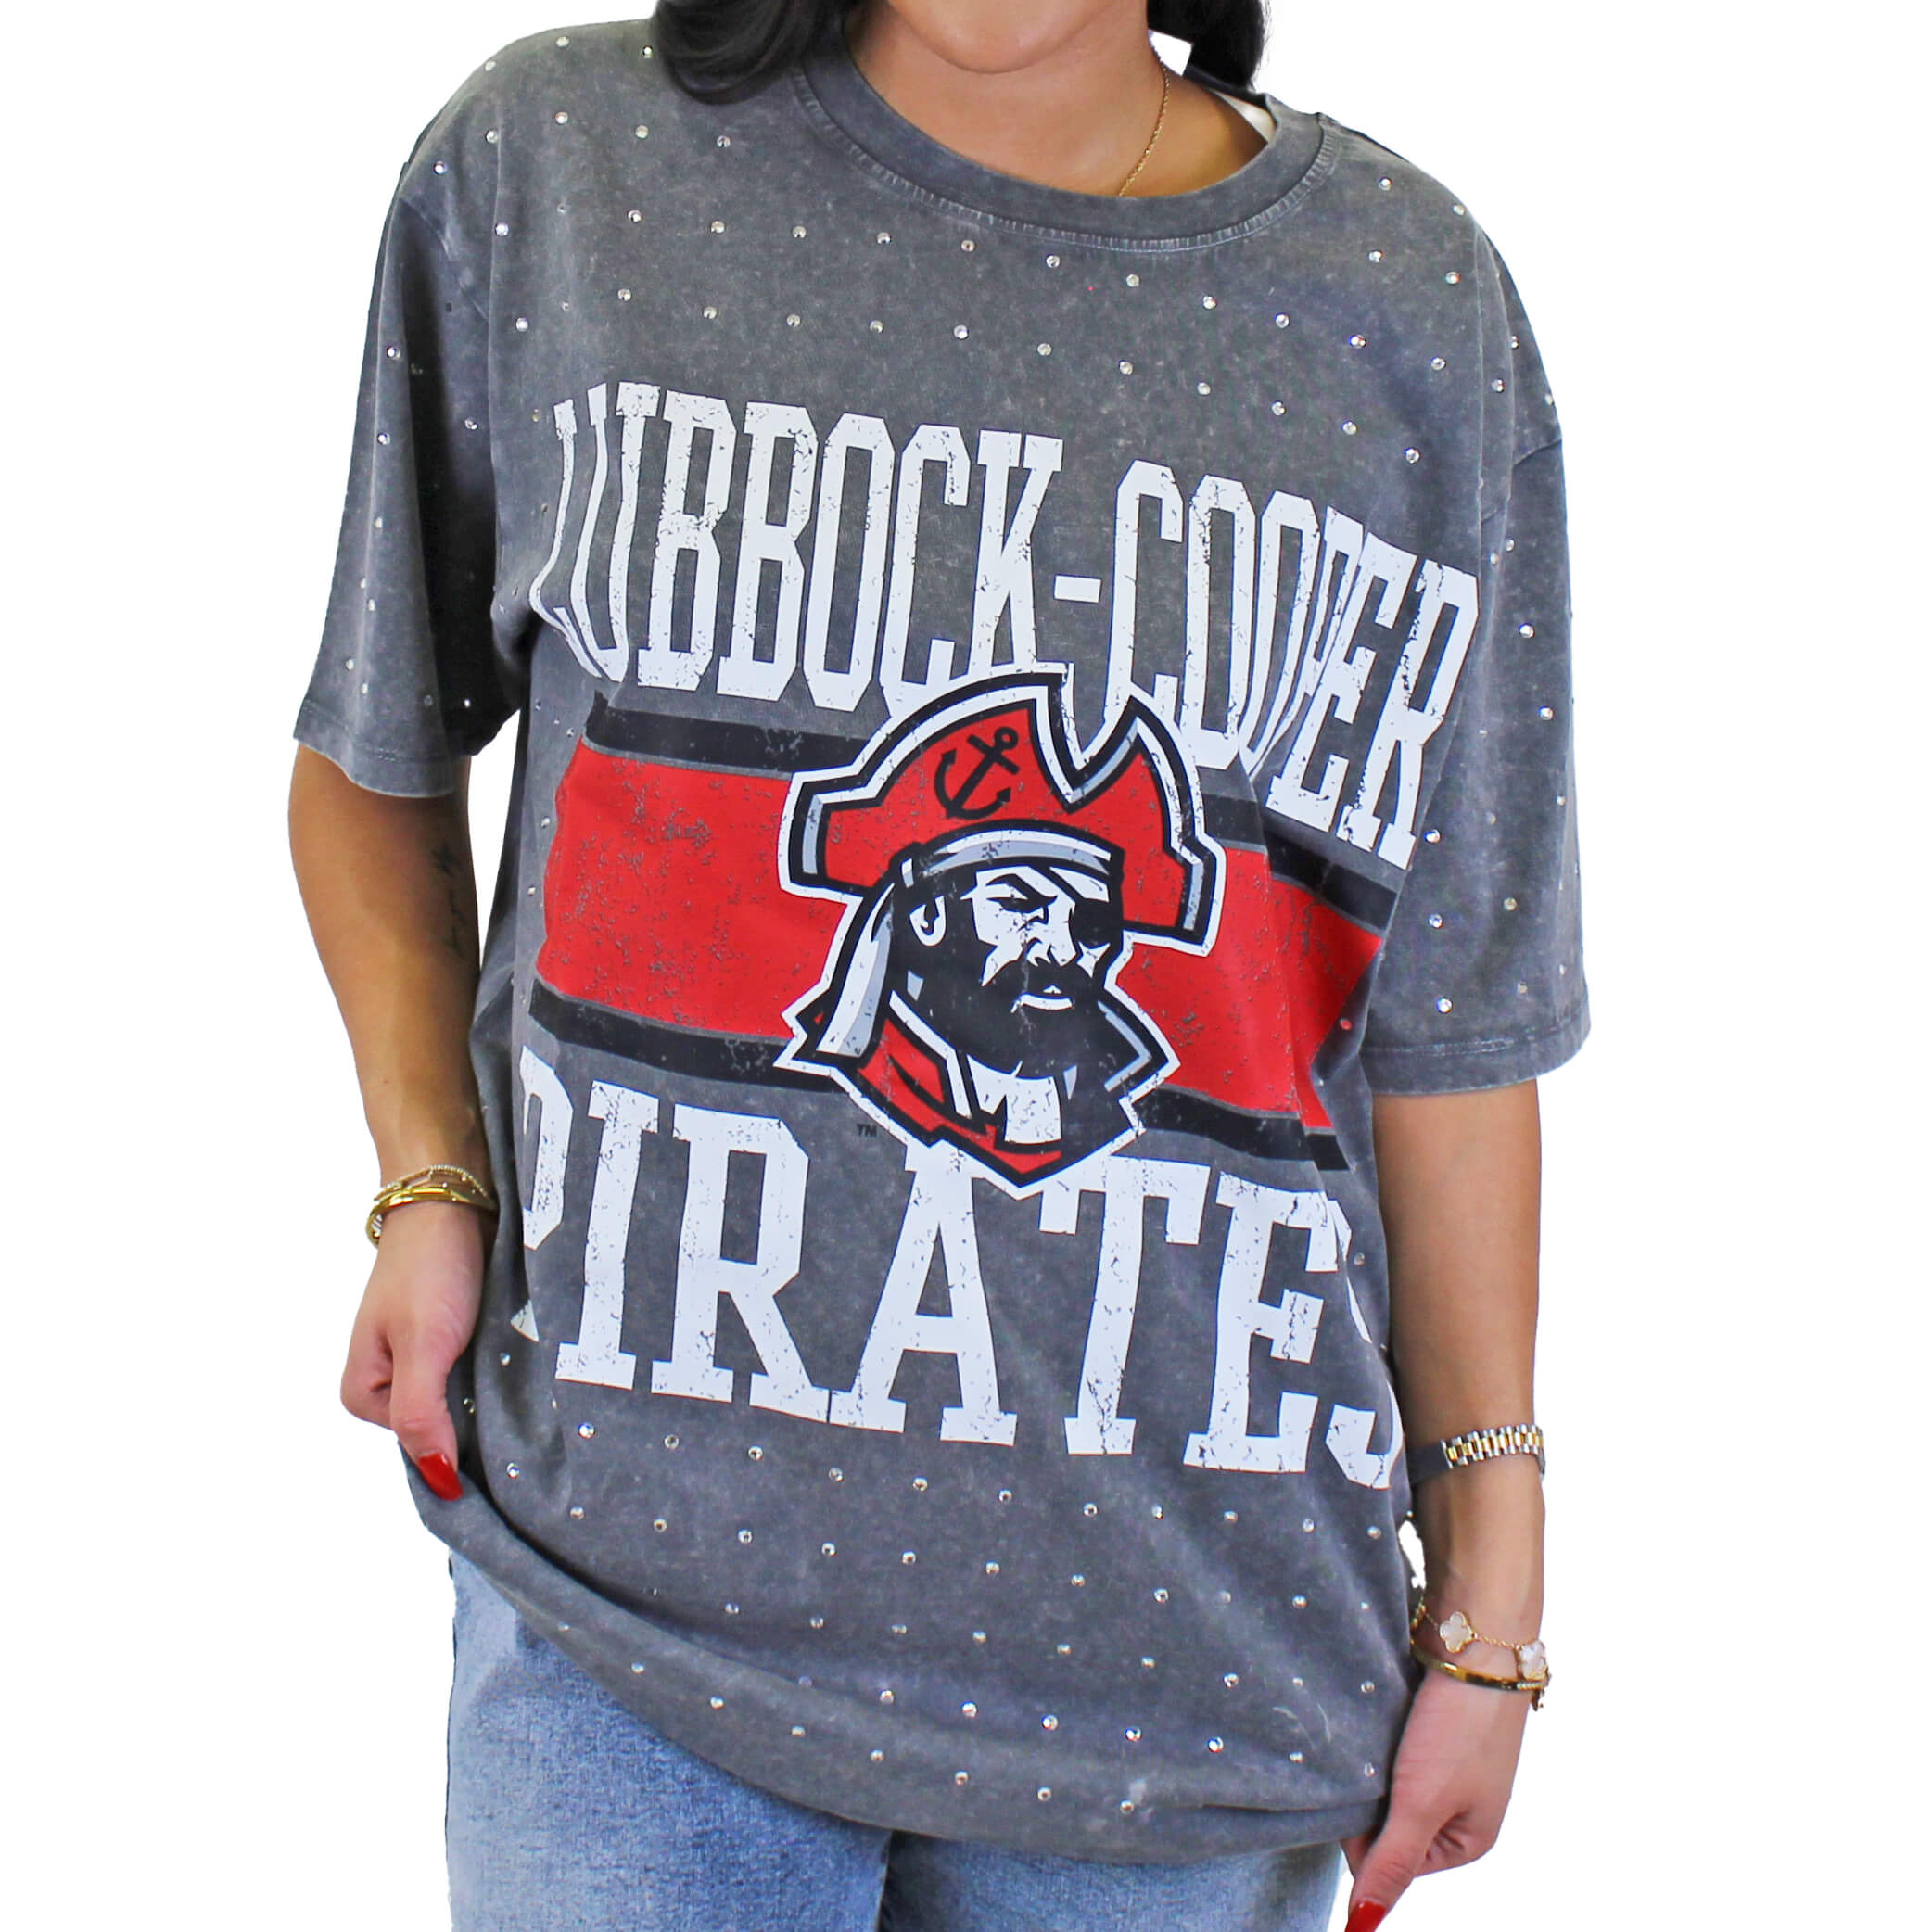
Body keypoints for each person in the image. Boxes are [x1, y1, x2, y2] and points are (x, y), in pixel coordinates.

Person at [289, 3, 1586, 1927]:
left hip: (1193, 1662)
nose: (1055, 940)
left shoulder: (1409, 303)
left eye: (1079, 906)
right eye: (1005, 902)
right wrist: (430, 1178)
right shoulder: (555, 171)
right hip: (633, 1612)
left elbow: (1451, 1017)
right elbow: (371, 750)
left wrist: (1492, 1566)